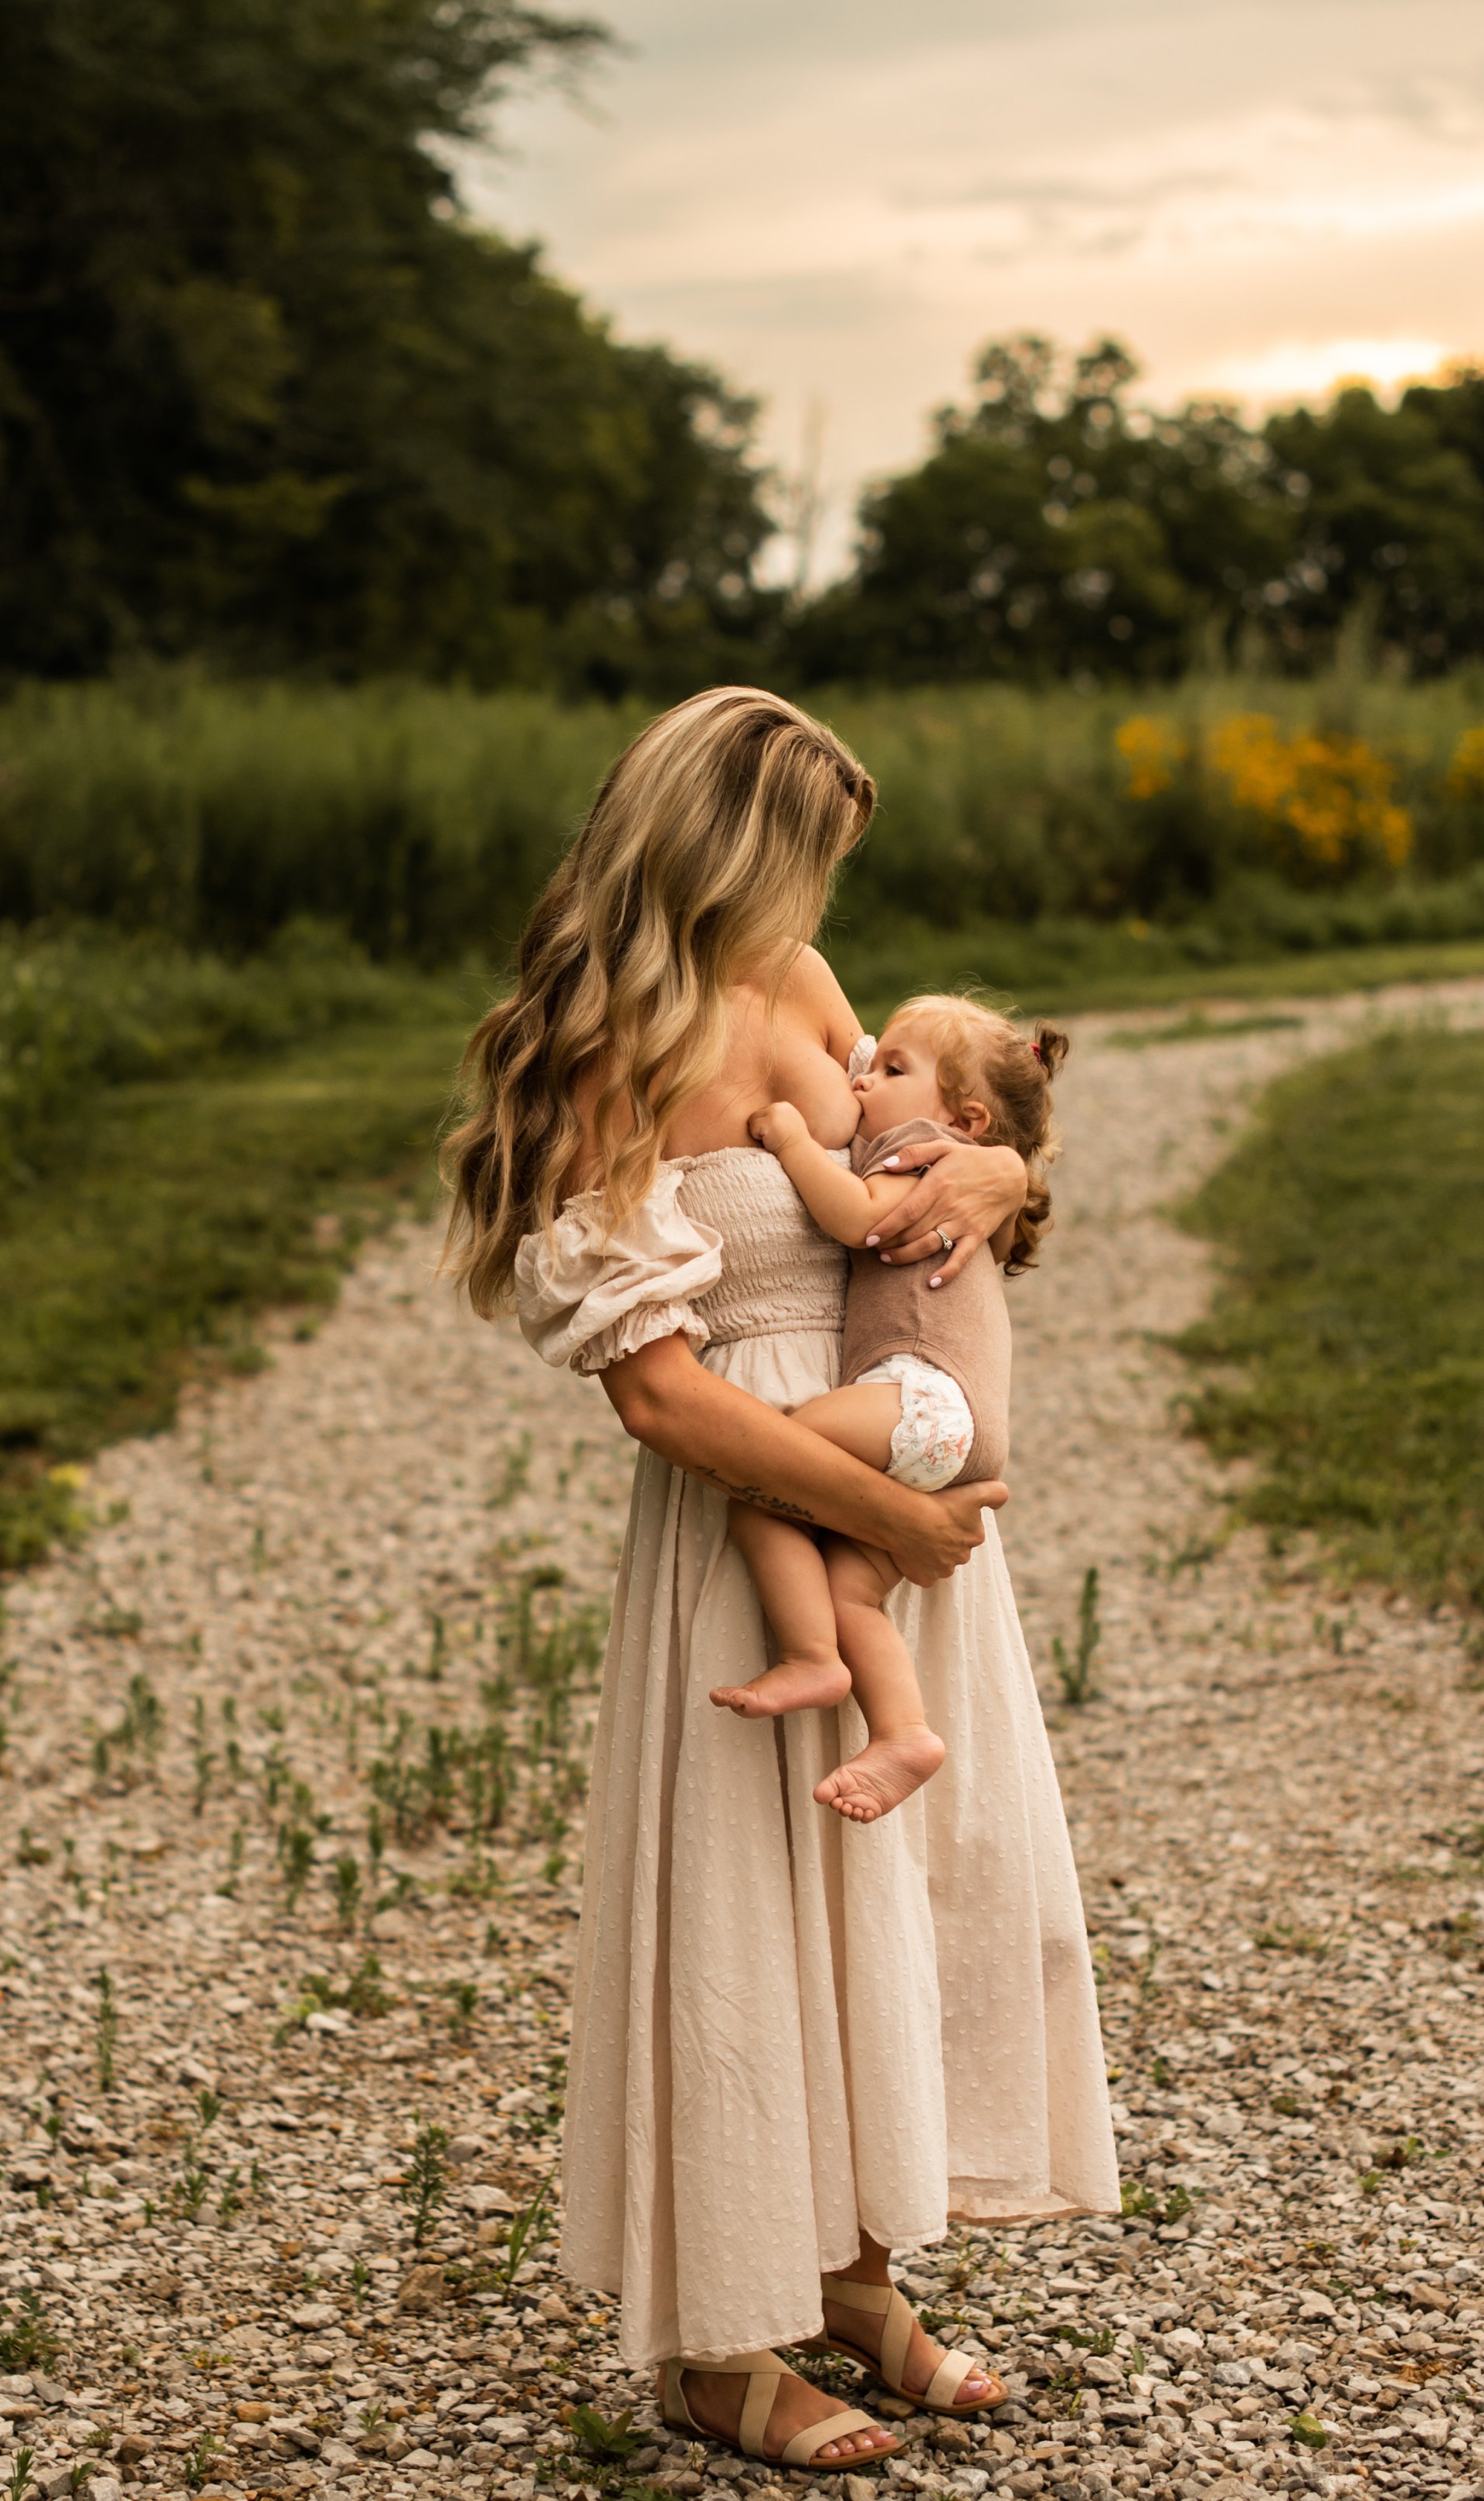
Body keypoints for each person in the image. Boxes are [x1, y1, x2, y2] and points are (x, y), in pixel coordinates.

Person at [445, 688, 1117, 2477]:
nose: (820, 898)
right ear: (730, 844)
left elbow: (919, 1159)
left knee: (899, 1891)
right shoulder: (611, 1047)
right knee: (750, 1913)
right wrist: (877, 1517)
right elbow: (655, 1390)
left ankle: (857, 2274)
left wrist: (1000, 1162)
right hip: (755, 1486)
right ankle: (716, 2341)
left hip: (887, 1465)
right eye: (806, 854)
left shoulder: (810, 979)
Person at [711, 995, 1069, 1830]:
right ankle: (901, 1733)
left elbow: (859, 1221)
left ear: (966, 1117)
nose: (866, 1077)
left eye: (892, 1070)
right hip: (959, 1429)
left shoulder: (917, 1148)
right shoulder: (957, 1154)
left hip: (918, 1395)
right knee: (853, 1594)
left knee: (763, 1471)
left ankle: (808, 1657)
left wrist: (797, 1142)